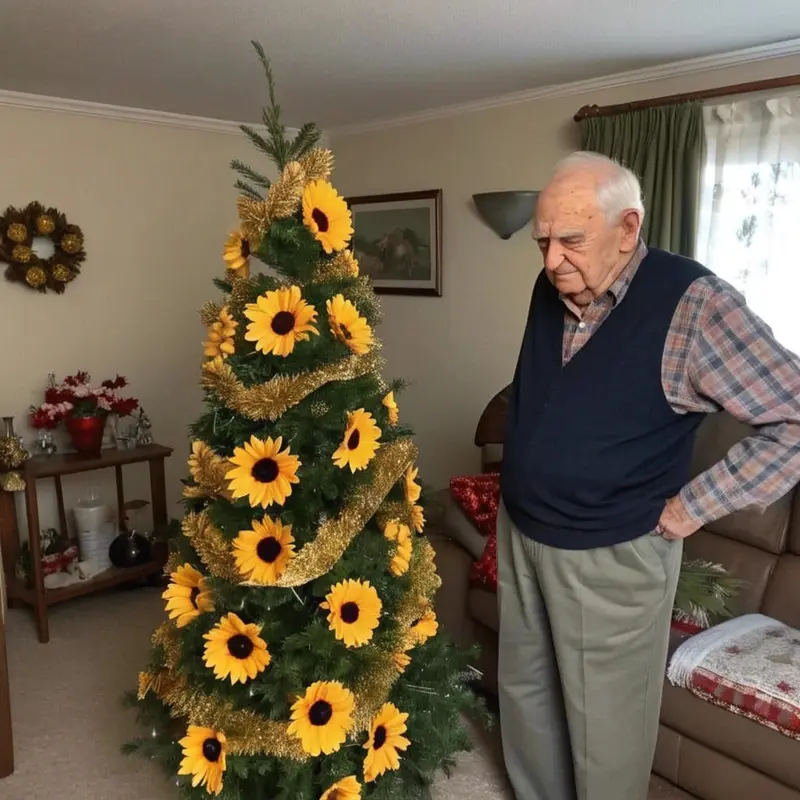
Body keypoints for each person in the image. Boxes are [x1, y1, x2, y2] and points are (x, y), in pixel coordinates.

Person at [497, 150, 800, 800]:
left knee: (604, 735)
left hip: (610, 553)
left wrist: (694, 506)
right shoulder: (554, 283)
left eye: (571, 241)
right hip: (521, 528)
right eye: (543, 242)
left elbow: (794, 416)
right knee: (526, 699)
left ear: (628, 228)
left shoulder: (695, 306)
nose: (552, 262)